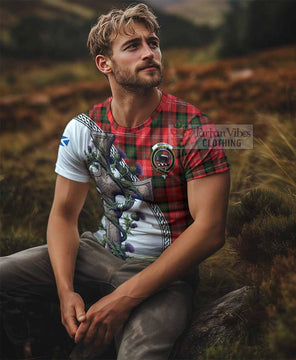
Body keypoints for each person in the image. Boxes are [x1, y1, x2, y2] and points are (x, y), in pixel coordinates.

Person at [0, 3, 230, 359]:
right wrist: (65, 292)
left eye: (153, 43)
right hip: (97, 252)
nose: (149, 53)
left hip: (164, 274)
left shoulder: (195, 128)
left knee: (139, 353)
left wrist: (122, 300)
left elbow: (211, 230)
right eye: (133, 46)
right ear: (104, 64)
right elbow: (63, 215)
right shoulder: (82, 129)